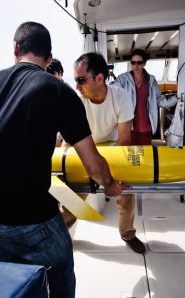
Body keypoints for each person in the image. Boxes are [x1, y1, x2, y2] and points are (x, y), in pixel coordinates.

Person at [0, 21, 127, 297]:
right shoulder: (59, 91)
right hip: (29, 217)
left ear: (16, 48)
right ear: (48, 58)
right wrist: (110, 185)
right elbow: (93, 163)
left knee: (11, 282)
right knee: (60, 266)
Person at [61, 52, 146, 254]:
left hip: (114, 148)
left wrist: (109, 177)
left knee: (125, 191)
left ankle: (128, 234)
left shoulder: (121, 96)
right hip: (85, 148)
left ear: (100, 78)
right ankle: (60, 235)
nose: (77, 86)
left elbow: (124, 139)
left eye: (81, 80)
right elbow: (67, 140)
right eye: (75, 80)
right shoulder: (76, 102)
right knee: (70, 198)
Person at [111, 49, 177, 145]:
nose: (136, 65)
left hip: (146, 126)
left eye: (139, 62)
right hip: (129, 126)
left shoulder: (151, 80)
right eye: (133, 62)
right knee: (131, 155)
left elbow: (159, 100)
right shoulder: (122, 79)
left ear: (144, 64)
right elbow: (113, 90)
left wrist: (176, 99)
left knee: (145, 154)